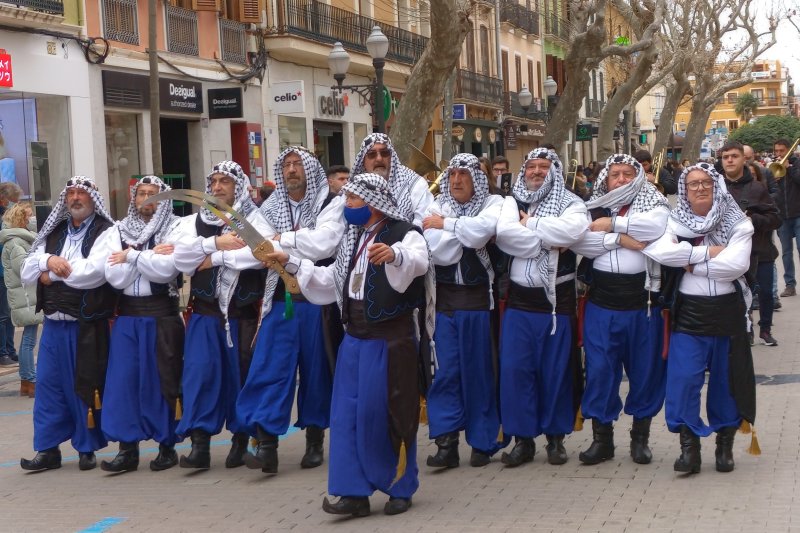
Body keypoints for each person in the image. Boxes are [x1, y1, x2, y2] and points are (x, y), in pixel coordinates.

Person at [267, 173, 432, 517]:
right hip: (354, 341)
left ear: (374, 202)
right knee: (346, 418)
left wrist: (394, 255)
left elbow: (418, 261)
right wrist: (290, 262)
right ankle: (353, 493)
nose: (347, 204)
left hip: (390, 342)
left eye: (353, 198)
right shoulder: (352, 238)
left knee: (388, 415)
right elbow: (331, 281)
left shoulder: (406, 233)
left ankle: (399, 486)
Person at [237, 147, 345, 474]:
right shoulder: (269, 206)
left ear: (310, 169)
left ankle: (314, 440)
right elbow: (256, 246)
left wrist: (280, 240)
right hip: (280, 300)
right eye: (287, 165)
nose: (292, 170)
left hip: (317, 301)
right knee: (269, 368)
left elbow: (324, 242)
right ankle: (266, 445)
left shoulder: (331, 202)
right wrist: (284, 242)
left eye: (298, 164)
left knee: (316, 370)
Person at [644, 162, 755, 474]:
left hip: (728, 313)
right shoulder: (674, 221)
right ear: (685, 190)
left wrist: (690, 262)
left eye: (706, 182)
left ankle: (724, 446)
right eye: (693, 184)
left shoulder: (739, 223)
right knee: (683, 380)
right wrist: (709, 253)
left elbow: (735, 266)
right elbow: (662, 254)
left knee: (727, 382)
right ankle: (689, 450)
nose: (700, 188)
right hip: (689, 314)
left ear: (716, 186)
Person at [571, 154, 669, 466]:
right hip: (602, 303)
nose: (621, 179)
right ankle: (603, 440)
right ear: (607, 178)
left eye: (628, 174)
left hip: (643, 305)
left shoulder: (653, 202)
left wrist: (611, 226)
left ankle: (640, 439)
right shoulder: (591, 206)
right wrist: (622, 239)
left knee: (645, 371)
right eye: (615, 174)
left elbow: (654, 228)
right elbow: (580, 243)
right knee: (600, 371)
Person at [170, 161, 269, 470]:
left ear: (238, 185)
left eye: (224, 181)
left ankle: (240, 441)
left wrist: (213, 258)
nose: (217, 187)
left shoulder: (254, 218)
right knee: (199, 376)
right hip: (204, 313)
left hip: (242, 314)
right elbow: (180, 256)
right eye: (213, 181)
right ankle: (199, 446)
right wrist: (213, 243)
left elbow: (260, 253)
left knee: (240, 376)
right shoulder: (194, 221)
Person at [494, 147, 588, 467]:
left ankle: (555, 439)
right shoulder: (512, 202)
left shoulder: (572, 203)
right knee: (516, 372)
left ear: (555, 170)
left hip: (557, 304)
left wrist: (530, 224)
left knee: (556, 371)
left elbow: (572, 231)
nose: (536, 171)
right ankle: (523, 440)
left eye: (543, 166)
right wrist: (548, 237)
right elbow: (505, 237)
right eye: (531, 166)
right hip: (519, 302)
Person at [20, 176, 118, 471]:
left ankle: (86, 448)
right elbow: (26, 269)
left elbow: (94, 272)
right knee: (48, 388)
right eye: (71, 193)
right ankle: (47, 449)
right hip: (52, 325)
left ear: (93, 198)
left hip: (84, 325)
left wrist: (50, 274)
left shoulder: (106, 230)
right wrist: (47, 261)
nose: (75, 198)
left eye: (81, 193)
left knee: (83, 385)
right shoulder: (54, 230)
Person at [421, 154, 505, 468]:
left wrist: (446, 225)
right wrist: (463, 231)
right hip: (443, 304)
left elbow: (480, 233)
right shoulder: (436, 204)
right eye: (452, 174)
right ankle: (446, 443)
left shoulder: (494, 203)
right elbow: (436, 250)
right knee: (445, 373)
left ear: (476, 179)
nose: (456, 180)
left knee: (479, 373)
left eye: (464, 175)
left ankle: (483, 442)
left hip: (478, 304)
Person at [99, 176, 184, 473]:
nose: (147, 199)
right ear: (133, 198)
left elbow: (166, 270)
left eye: (153, 194)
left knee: (162, 381)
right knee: (123, 383)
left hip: (162, 316)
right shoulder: (116, 230)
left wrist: (130, 256)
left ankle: (167, 446)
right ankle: (127, 450)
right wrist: (147, 257)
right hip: (128, 316)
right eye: (142, 193)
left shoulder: (175, 227)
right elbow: (115, 276)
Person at [719, 142, 781, 346]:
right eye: (725, 157)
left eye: (734, 156)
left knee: (765, 293)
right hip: (729, 252)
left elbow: (775, 219)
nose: (729, 160)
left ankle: (765, 329)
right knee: (738, 294)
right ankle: (746, 329)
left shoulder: (757, 188)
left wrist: (752, 219)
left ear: (743, 159)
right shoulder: (715, 187)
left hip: (760, 250)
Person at [0, 202, 42, 396]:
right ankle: (29, 379)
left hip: (25, 295)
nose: (33, 219)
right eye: (29, 215)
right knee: (29, 340)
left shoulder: (18, 240)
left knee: (29, 337)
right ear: (21, 219)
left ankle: (27, 381)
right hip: (26, 296)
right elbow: (23, 268)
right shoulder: (17, 242)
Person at [351, 133, 434, 226]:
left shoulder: (416, 185)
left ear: (391, 157)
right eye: (372, 154)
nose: (379, 158)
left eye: (384, 153)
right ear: (363, 161)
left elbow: (423, 222)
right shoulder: (354, 188)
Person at [773, 139, 800, 297]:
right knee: (786, 253)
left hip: (798, 214)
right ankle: (790, 285)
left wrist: (789, 168)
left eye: (782, 151)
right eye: (776, 151)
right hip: (782, 216)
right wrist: (774, 180)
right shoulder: (774, 166)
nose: (779, 154)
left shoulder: (797, 164)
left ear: (789, 150)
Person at [0, 182, 21, 366]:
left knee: (9, 313)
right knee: (3, 314)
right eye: (13, 200)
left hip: (6, 271)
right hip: (1, 271)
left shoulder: (7, 216)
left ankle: (10, 350)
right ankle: (2, 352)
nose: (15, 204)